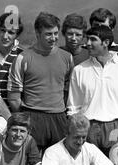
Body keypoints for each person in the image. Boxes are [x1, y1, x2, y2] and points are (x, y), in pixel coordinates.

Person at [67, 24, 118, 156]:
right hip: (88, 128)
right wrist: (77, 131)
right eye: (87, 39)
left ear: (106, 43)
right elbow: (73, 107)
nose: (88, 43)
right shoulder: (79, 70)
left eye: (93, 39)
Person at [8, 12, 74, 152]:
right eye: (48, 34)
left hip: (59, 118)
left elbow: (69, 90)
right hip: (32, 117)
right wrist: (27, 118)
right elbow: (14, 98)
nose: (54, 38)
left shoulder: (67, 58)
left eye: (56, 33)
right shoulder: (23, 58)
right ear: (37, 33)